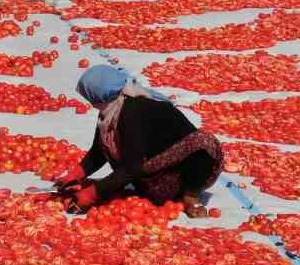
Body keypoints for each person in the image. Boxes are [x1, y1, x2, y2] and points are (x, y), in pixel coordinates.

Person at [53, 65, 224, 218]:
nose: (90, 103)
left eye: (90, 98)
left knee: (204, 141)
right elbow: (99, 150)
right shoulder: (110, 111)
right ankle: (163, 192)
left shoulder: (134, 112)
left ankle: (190, 194)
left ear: (98, 96)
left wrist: (91, 194)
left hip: (179, 175)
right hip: (150, 182)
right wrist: (77, 174)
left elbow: (132, 167)